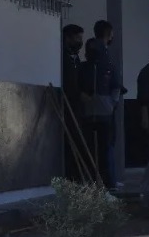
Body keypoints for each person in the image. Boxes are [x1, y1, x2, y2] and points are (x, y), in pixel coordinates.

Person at [80, 20, 123, 189]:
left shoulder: (90, 57)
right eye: (111, 34)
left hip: (91, 110)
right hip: (104, 110)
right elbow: (115, 84)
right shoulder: (105, 57)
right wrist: (112, 103)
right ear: (108, 33)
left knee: (92, 146)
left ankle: (93, 180)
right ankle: (108, 181)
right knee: (106, 145)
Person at [61, 24, 88, 182]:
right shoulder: (62, 56)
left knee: (78, 140)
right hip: (66, 104)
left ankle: (77, 176)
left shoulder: (76, 57)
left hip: (77, 106)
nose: (80, 41)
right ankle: (69, 175)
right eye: (78, 38)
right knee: (68, 141)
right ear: (68, 38)